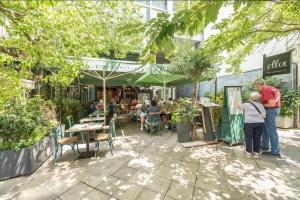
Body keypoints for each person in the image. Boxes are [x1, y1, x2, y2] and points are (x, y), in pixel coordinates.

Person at [254, 78, 281, 157]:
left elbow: (271, 104)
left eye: (256, 85)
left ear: (259, 84)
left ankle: (275, 151)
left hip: (270, 110)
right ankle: (265, 146)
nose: (256, 87)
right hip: (271, 110)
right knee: (266, 128)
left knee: (271, 130)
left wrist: (259, 106)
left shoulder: (266, 89)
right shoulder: (269, 88)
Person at [242, 92, 266, 157]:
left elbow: (237, 106)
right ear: (258, 98)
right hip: (260, 123)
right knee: (257, 137)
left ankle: (248, 152)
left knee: (248, 137)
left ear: (250, 97)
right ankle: (256, 152)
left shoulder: (246, 104)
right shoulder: (261, 105)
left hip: (249, 123)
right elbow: (264, 115)